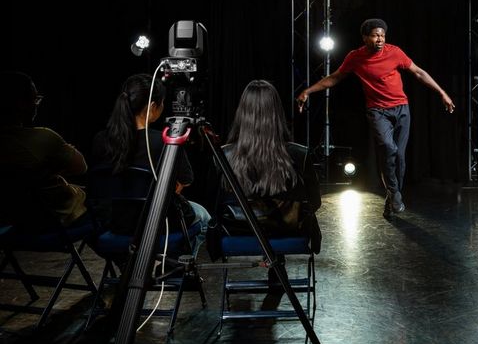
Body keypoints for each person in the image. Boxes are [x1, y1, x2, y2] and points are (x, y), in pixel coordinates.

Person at [296, 18, 455, 219]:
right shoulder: (355, 57)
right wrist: (308, 91)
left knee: (399, 157)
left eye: (382, 35)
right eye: (375, 35)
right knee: (388, 149)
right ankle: (395, 194)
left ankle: (391, 196)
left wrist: (442, 92)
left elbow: (418, 72)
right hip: (377, 112)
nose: (379, 39)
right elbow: (335, 77)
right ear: (365, 38)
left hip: (402, 110)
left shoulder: (395, 52)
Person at [91, 73, 211, 256]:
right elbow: (184, 181)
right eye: (162, 103)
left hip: (115, 224)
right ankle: (173, 270)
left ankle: (128, 268)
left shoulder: (100, 140)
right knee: (204, 216)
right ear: (153, 106)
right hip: (157, 225)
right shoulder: (164, 141)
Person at [220, 79, 321, 254]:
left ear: (242, 113)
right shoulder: (299, 154)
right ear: (277, 113)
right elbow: (314, 202)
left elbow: (215, 202)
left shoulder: (223, 156)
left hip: (237, 234)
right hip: (289, 233)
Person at [0, 70, 93, 230]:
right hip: (56, 221)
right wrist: (53, 164)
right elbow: (81, 167)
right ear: (22, 103)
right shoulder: (43, 138)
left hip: (17, 225)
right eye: (35, 99)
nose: (36, 105)